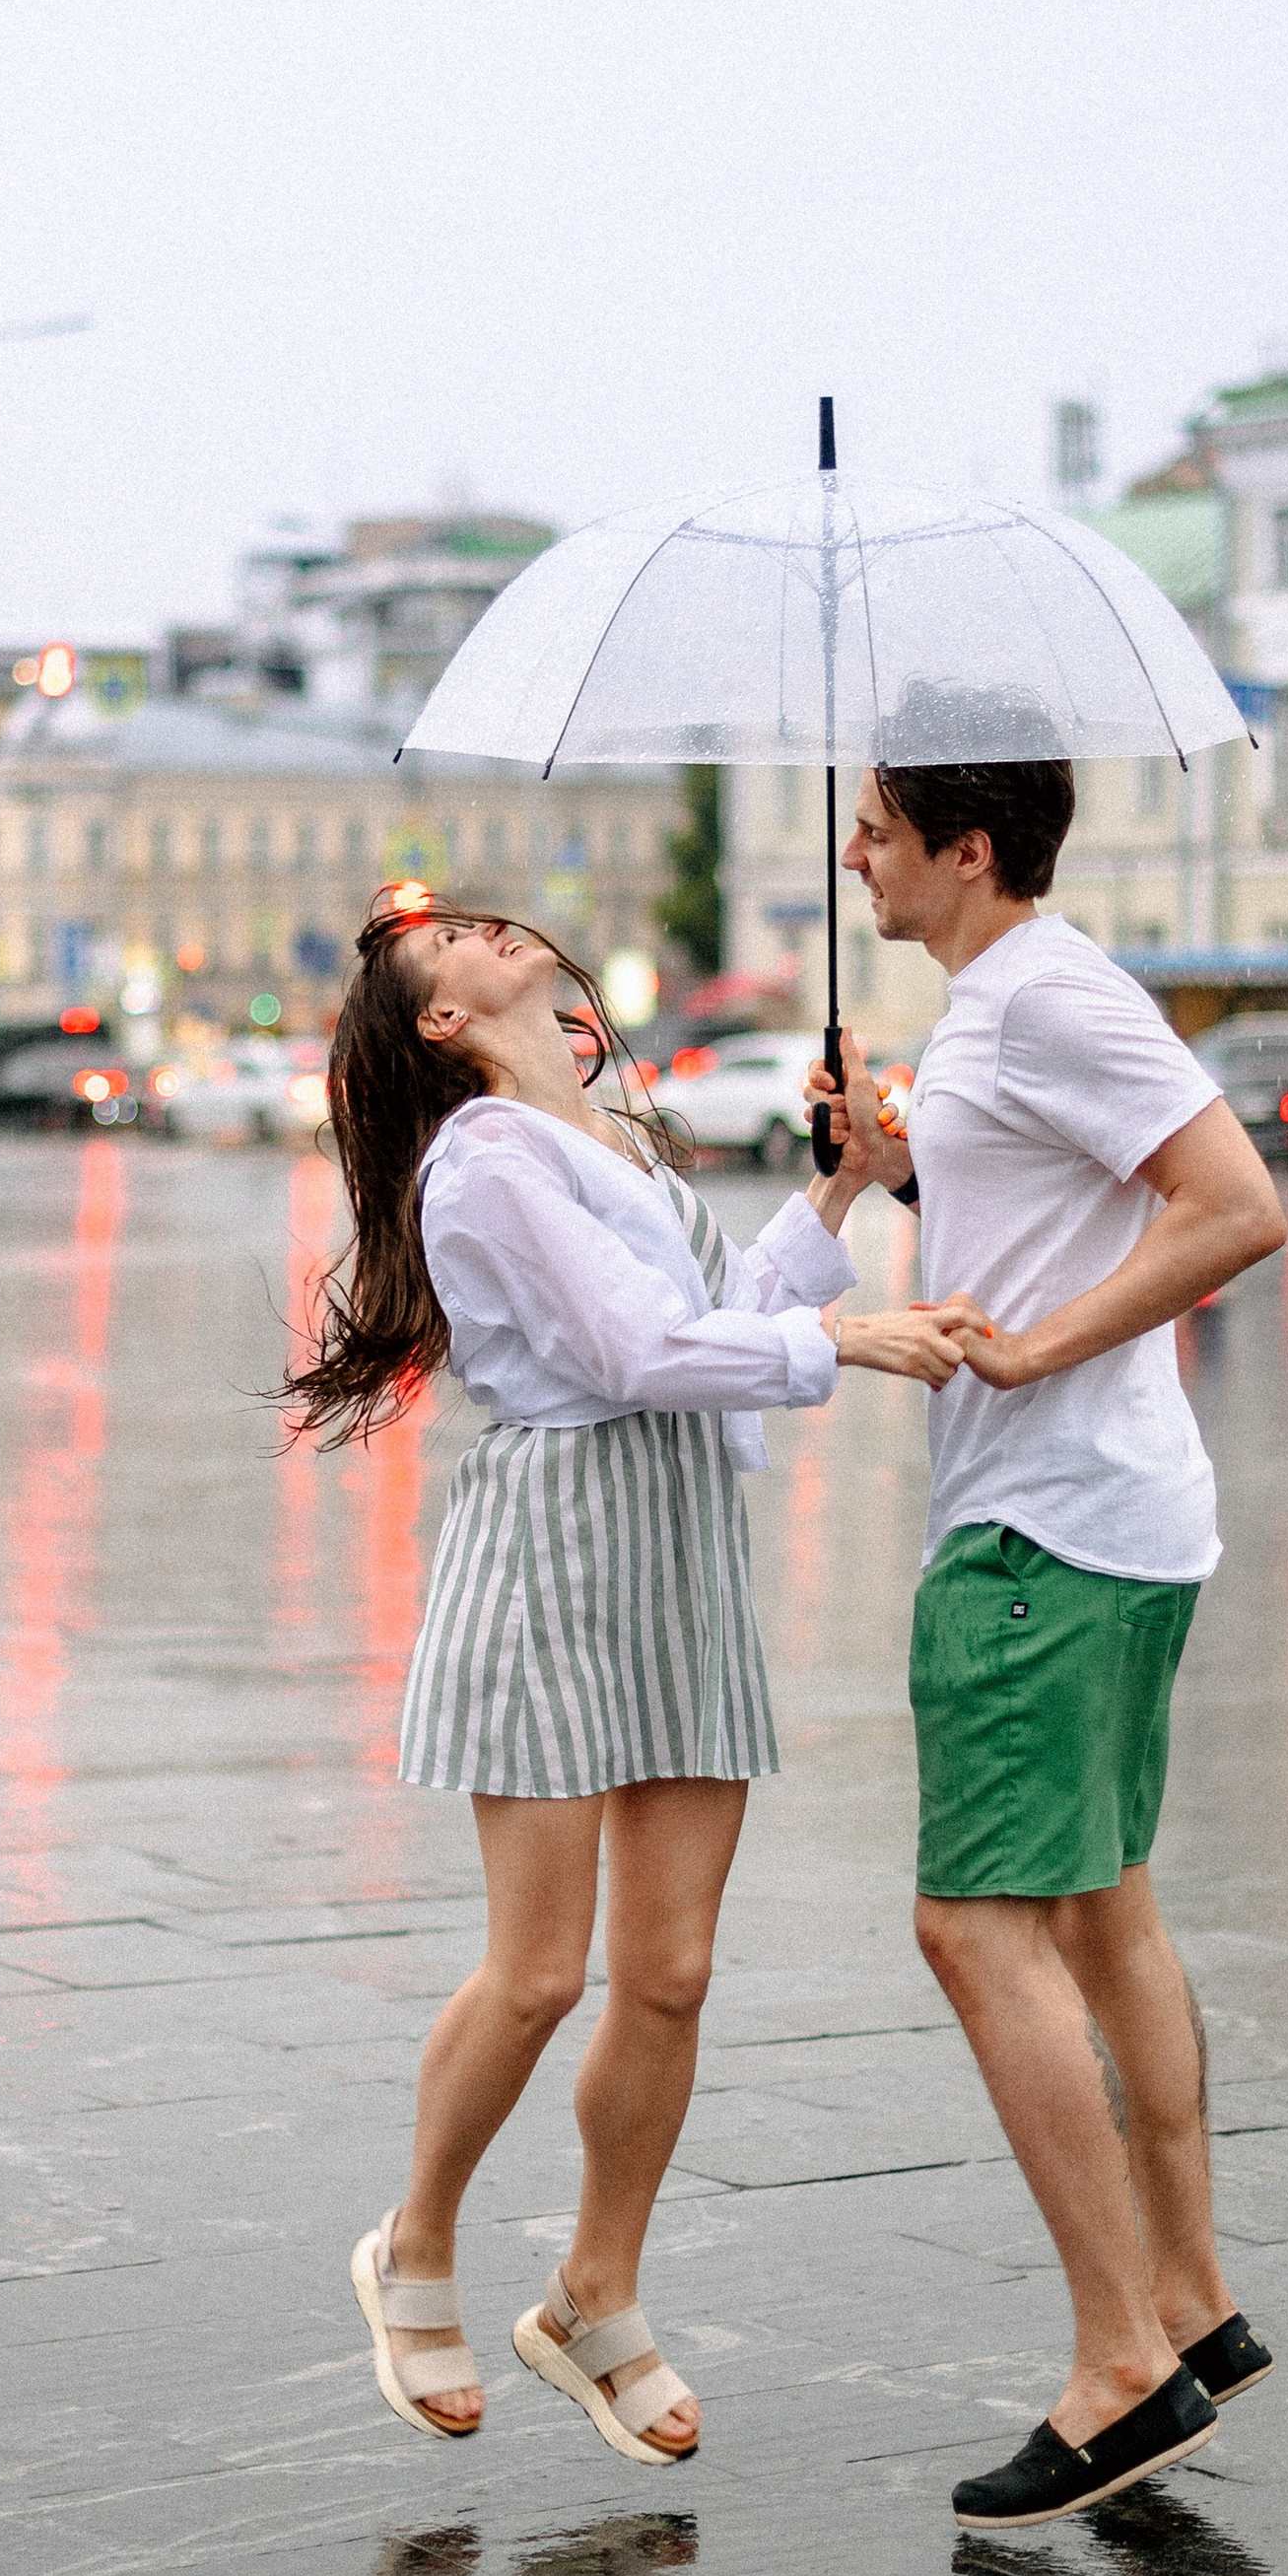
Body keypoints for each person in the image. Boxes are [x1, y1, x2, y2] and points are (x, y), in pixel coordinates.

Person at [289, 888, 955, 2463]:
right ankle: (419, 2246)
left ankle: (597, 2289)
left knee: (669, 1974)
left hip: (674, 1549)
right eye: (443, 942)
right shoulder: (482, 1163)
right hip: (552, 1548)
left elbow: (713, 1316)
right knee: (538, 1970)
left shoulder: (616, 1138)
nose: (487, 928)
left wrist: (848, 1183)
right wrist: (848, 1346)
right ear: (438, 1021)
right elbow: (633, 1355)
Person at [818, 760, 1287, 2530]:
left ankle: (1118, 2370)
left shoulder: (1052, 993)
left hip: (1046, 1532)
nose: (856, 849)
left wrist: (1036, 1349)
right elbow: (1049, 1199)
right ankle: (1191, 2302)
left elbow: (1235, 1207)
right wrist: (895, 1167)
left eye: (880, 827)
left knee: (971, 1926)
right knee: (1103, 1908)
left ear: (968, 849)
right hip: (1110, 1520)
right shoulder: (1002, 1011)